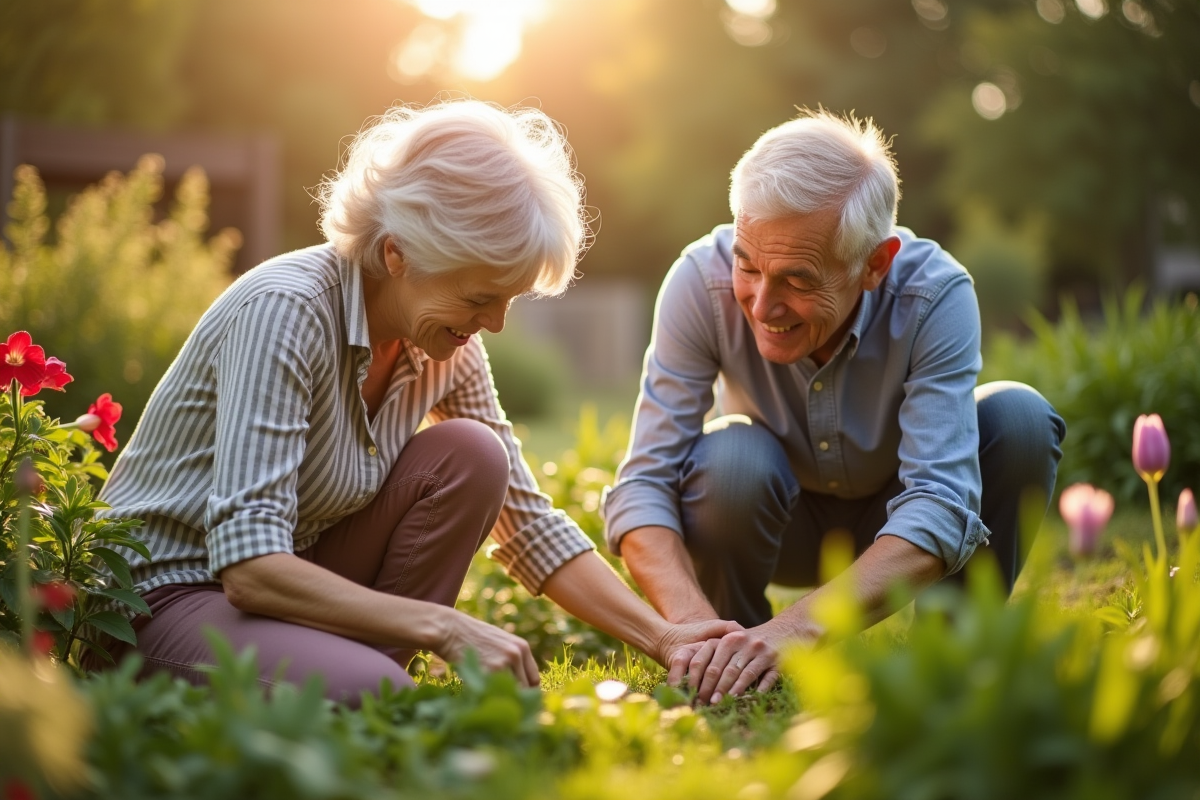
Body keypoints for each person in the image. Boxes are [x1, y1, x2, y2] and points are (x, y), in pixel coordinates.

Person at [93, 100, 733, 704]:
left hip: (282, 587)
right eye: (481, 297)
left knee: (476, 456)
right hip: (163, 598)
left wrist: (665, 637)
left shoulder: (443, 346)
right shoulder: (285, 312)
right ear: (397, 252)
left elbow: (527, 524)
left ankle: (355, 670)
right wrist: (445, 628)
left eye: (508, 300)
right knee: (376, 695)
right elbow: (251, 568)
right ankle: (358, 678)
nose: (497, 324)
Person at [602, 110, 1066, 705]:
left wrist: (795, 630)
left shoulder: (935, 294)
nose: (763, 304)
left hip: (893, 524)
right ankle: (731, 652)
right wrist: (688, 628)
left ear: (875, 263)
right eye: (747, 264)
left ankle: (951, 657)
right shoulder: (699, 280)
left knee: (1019, 419)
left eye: (797, 280)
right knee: (732, 455)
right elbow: (644, 485)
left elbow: (941, 504)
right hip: (776, 519)